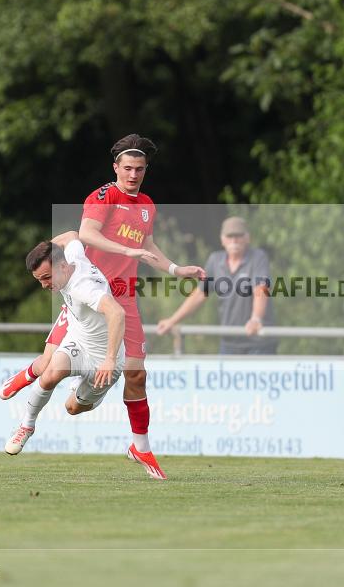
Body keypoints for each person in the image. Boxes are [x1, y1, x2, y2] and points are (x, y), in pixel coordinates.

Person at [78, 133, 205, 480]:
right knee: (60, 377)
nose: (133, 174)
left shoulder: (147, 205)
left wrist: (178, 270)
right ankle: (30, 418)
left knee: (136, 374)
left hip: (126, 299)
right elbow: (86, 233)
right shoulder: (105, 195)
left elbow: (148, 246)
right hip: (91, 295)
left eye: (140, 169)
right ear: (116, 167)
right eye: (128, 168)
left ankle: (141, 447)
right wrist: (126, 251)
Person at [2, 233, 128, 461]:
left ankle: (92, 394)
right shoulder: (70, 255)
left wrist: (110, 360)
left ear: (62, 267)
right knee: (50, 373)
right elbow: (71, 235)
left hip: (105, 360)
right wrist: (45, 248)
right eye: (40, 279)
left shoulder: (83, 287)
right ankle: (26, 427)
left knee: (72, 408)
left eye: (47, 278)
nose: (44, 285)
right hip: (79, 339)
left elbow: (117, 313)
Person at [157, 216, 278, 355]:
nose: (234, 240)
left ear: (247, 238)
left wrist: (256, 318)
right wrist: (172, 321)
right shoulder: (216, 260)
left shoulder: (258, 257)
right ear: (222, 239)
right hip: (229, 342)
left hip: (259, 343)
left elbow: (261, 289)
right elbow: (200, 294)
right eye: (230, 236)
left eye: (239, 235)